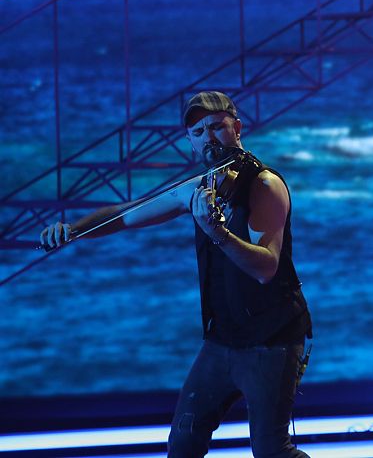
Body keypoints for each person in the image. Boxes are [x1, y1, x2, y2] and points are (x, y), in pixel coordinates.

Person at [40, 91, 312, 458]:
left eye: (216, 127)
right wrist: (73, 229)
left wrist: (218, 232)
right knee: (183, 444)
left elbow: (266, 268)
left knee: (271, 451)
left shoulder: (263, 185)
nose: (208, 138)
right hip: (223, 341)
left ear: (236, 127)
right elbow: (125, 214)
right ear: (189, 141)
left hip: (271, 341)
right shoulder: (199, 189)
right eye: (198, 132)